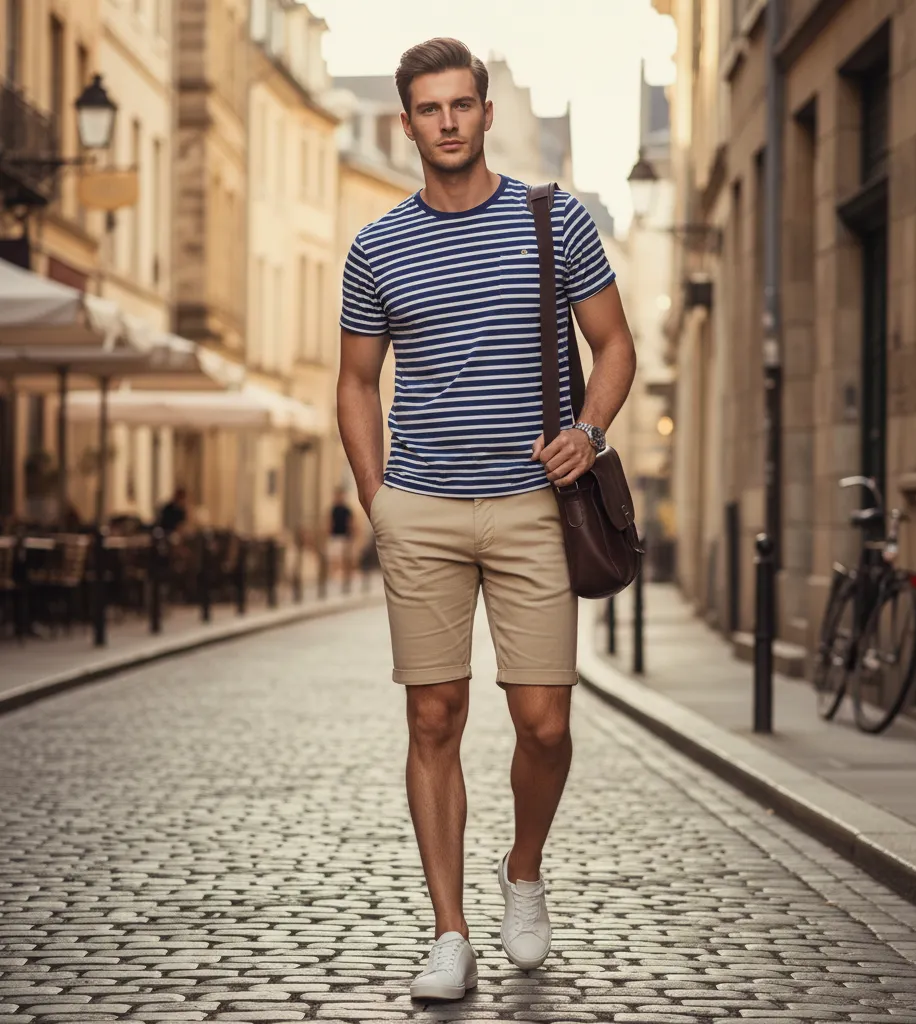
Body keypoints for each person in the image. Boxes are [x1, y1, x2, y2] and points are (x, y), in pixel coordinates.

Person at [336, 38, 636, 1002]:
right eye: (430, 109)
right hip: (419, 506)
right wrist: (376, 495)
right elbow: (352, 381)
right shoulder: (376, 246)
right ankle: (450, 932)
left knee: (544, 723)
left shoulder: (556, 220)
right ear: (407, 123)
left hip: (532, 508)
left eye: (463, 104)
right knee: (433, 715)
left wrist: (589, 429)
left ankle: (524, 871)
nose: (449, 122)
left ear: (486, 110)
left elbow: (616, 344)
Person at [327, 487, 355, 592]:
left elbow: (351, 523)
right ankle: (335, 578)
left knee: (346, 559)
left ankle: (346, 580)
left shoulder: (347, 510)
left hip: (345, 537)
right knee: (335, 558)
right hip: (335, 536)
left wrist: (351, 536)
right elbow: (329, 522)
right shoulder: (333, 509)